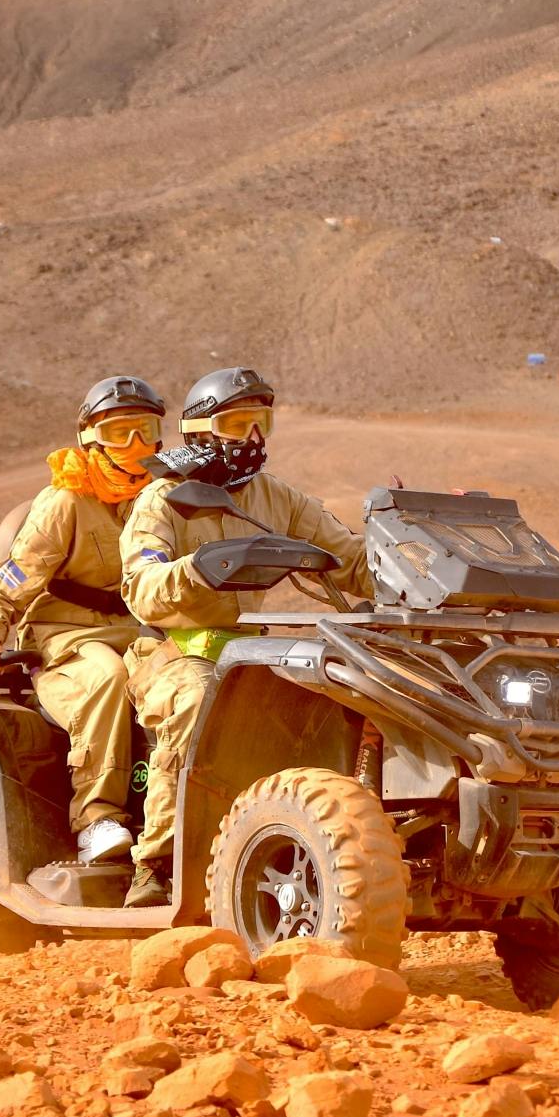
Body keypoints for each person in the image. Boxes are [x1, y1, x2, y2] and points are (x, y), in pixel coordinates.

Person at [117, 367, 373, 907]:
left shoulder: (275, 498)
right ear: (201, 430)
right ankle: (157, 865)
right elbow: (142, 588)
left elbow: (346, 555)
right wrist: (198, 570)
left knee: (329, 701)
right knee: (194, 702)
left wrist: (411, 577)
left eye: (262, 423)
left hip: (244, 651)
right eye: (238, 424)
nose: (253, 438)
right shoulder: (163, 500)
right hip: (168, 651)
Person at [0, 376, 166, 864]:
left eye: (144, 429)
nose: (134, 445)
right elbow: (16, 573)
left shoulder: (163, 497)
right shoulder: (65, 501)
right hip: (65, 635)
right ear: (91, 438)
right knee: (107, 676)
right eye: (120, 432)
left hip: (140, 632)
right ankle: (97, 819)